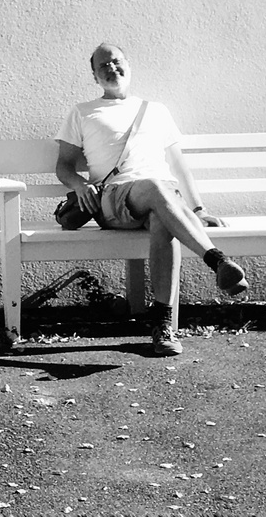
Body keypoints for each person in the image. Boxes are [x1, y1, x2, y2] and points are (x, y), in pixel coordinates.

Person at [55, 43, 248, 356]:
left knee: (163, 218)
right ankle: (216, 260)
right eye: (102, 66)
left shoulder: (156, 110)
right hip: (114, 198)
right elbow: (63, 165)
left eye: (116, 61)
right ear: (94, 76)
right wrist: (79, 185)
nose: (111, 68)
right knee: (157, 190)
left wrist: (198, 209)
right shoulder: (83, 112)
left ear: (128, 65)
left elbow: (177, 164)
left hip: (163, 199)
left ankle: (163, 327)